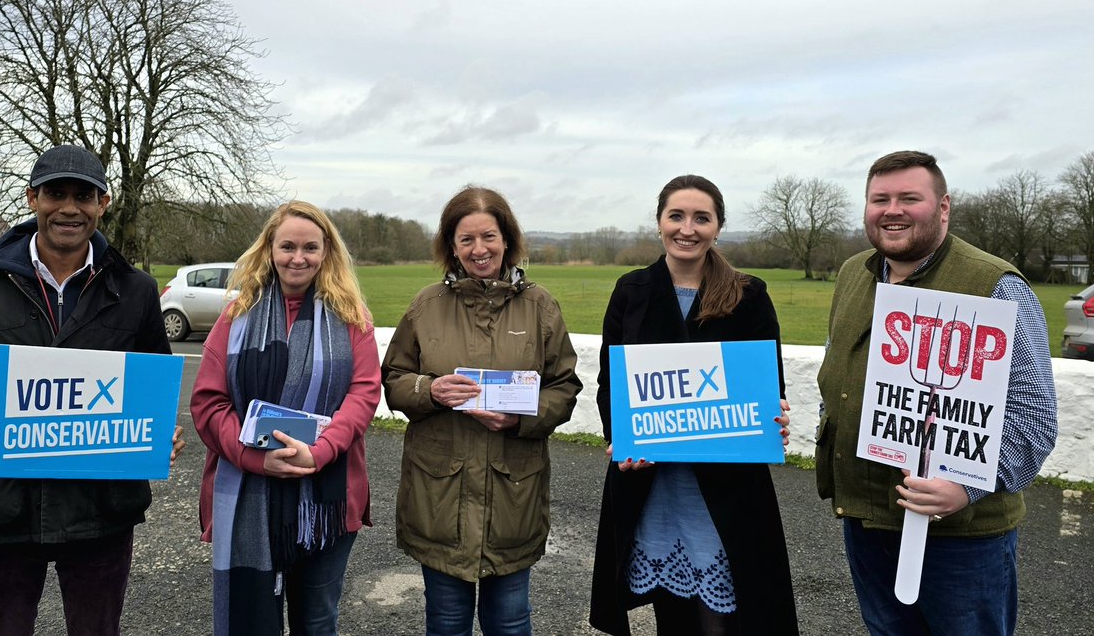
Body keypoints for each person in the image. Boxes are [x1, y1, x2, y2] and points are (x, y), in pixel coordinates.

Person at [0, 144, 186, 636]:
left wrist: (159, 432)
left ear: (103, 203)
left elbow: (151, 381)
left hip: (101, 509)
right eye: (56, 193)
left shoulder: (137, 289)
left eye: (84, 195)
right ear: (32, 198)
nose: (69, 208)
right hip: (2, 506)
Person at [816, 150, 1058, 635]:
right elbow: (839, 375)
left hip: (961, 540)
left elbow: (1034, 416)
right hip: (866, 521)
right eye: (879, 199)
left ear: (943, 207)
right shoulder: (853, 274)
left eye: (910, 198)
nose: (892, 210)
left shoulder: (995, 285)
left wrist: (966, 487)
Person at [588, 175, 799, 635]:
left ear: (718, 226)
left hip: (724, 487)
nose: (688, 228)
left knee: (725, 621)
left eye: (701, 218)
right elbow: (612, 379)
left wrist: (773, 419)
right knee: (673, 617)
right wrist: (619, 436)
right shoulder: (632, 289)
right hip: (653, 485)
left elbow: (768, 386)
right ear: (659, 222)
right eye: (676, 216)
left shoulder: (749, 293)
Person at [381, 185, 582, 636]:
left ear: (506, 238)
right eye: (466, 239)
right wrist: (430, 390)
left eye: (488, 236)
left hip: (513, 494)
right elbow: (394, 379)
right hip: (440, 496)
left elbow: (564, 386)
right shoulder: (426, 305)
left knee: (510, 623)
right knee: (447, 623)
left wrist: (520, 418)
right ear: (451, 246)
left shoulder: (540, 306)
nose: (479, 249)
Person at [190, 200, 380, 635]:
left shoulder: (353, 319)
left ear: (327, 252)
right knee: (255, 623)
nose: (299, 257)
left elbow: (364, 393)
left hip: (327, 497)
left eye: (311, 247)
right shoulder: (235, 318)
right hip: (249, 492)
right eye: (287, 246)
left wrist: (319, 453)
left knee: (317, 621)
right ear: (269, 250)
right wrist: (254, 458)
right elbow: (208, 403)